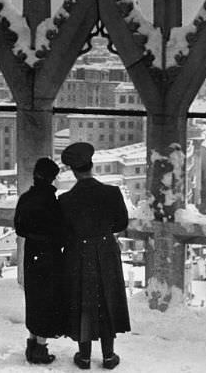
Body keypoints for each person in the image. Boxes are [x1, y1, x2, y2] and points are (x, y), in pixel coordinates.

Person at [58, 142, 130, 370]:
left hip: (78, 253)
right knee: (107, 297)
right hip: (106, 251)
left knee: (83, 300)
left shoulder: (65, 200)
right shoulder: (112, 193)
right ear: (92, 165)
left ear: (73, 170)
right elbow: (121, 223)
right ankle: (109, 356)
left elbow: (63, 232)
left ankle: (85, 356)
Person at [14, 157, 65, 365]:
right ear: (52, 178)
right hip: (49, 254)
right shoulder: (52, 202)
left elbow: (19, 228)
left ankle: (32, 342)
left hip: (31, 252)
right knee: (46, 300)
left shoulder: (25, 198)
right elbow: (61, 232)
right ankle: (40, 349)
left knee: (33, 297)